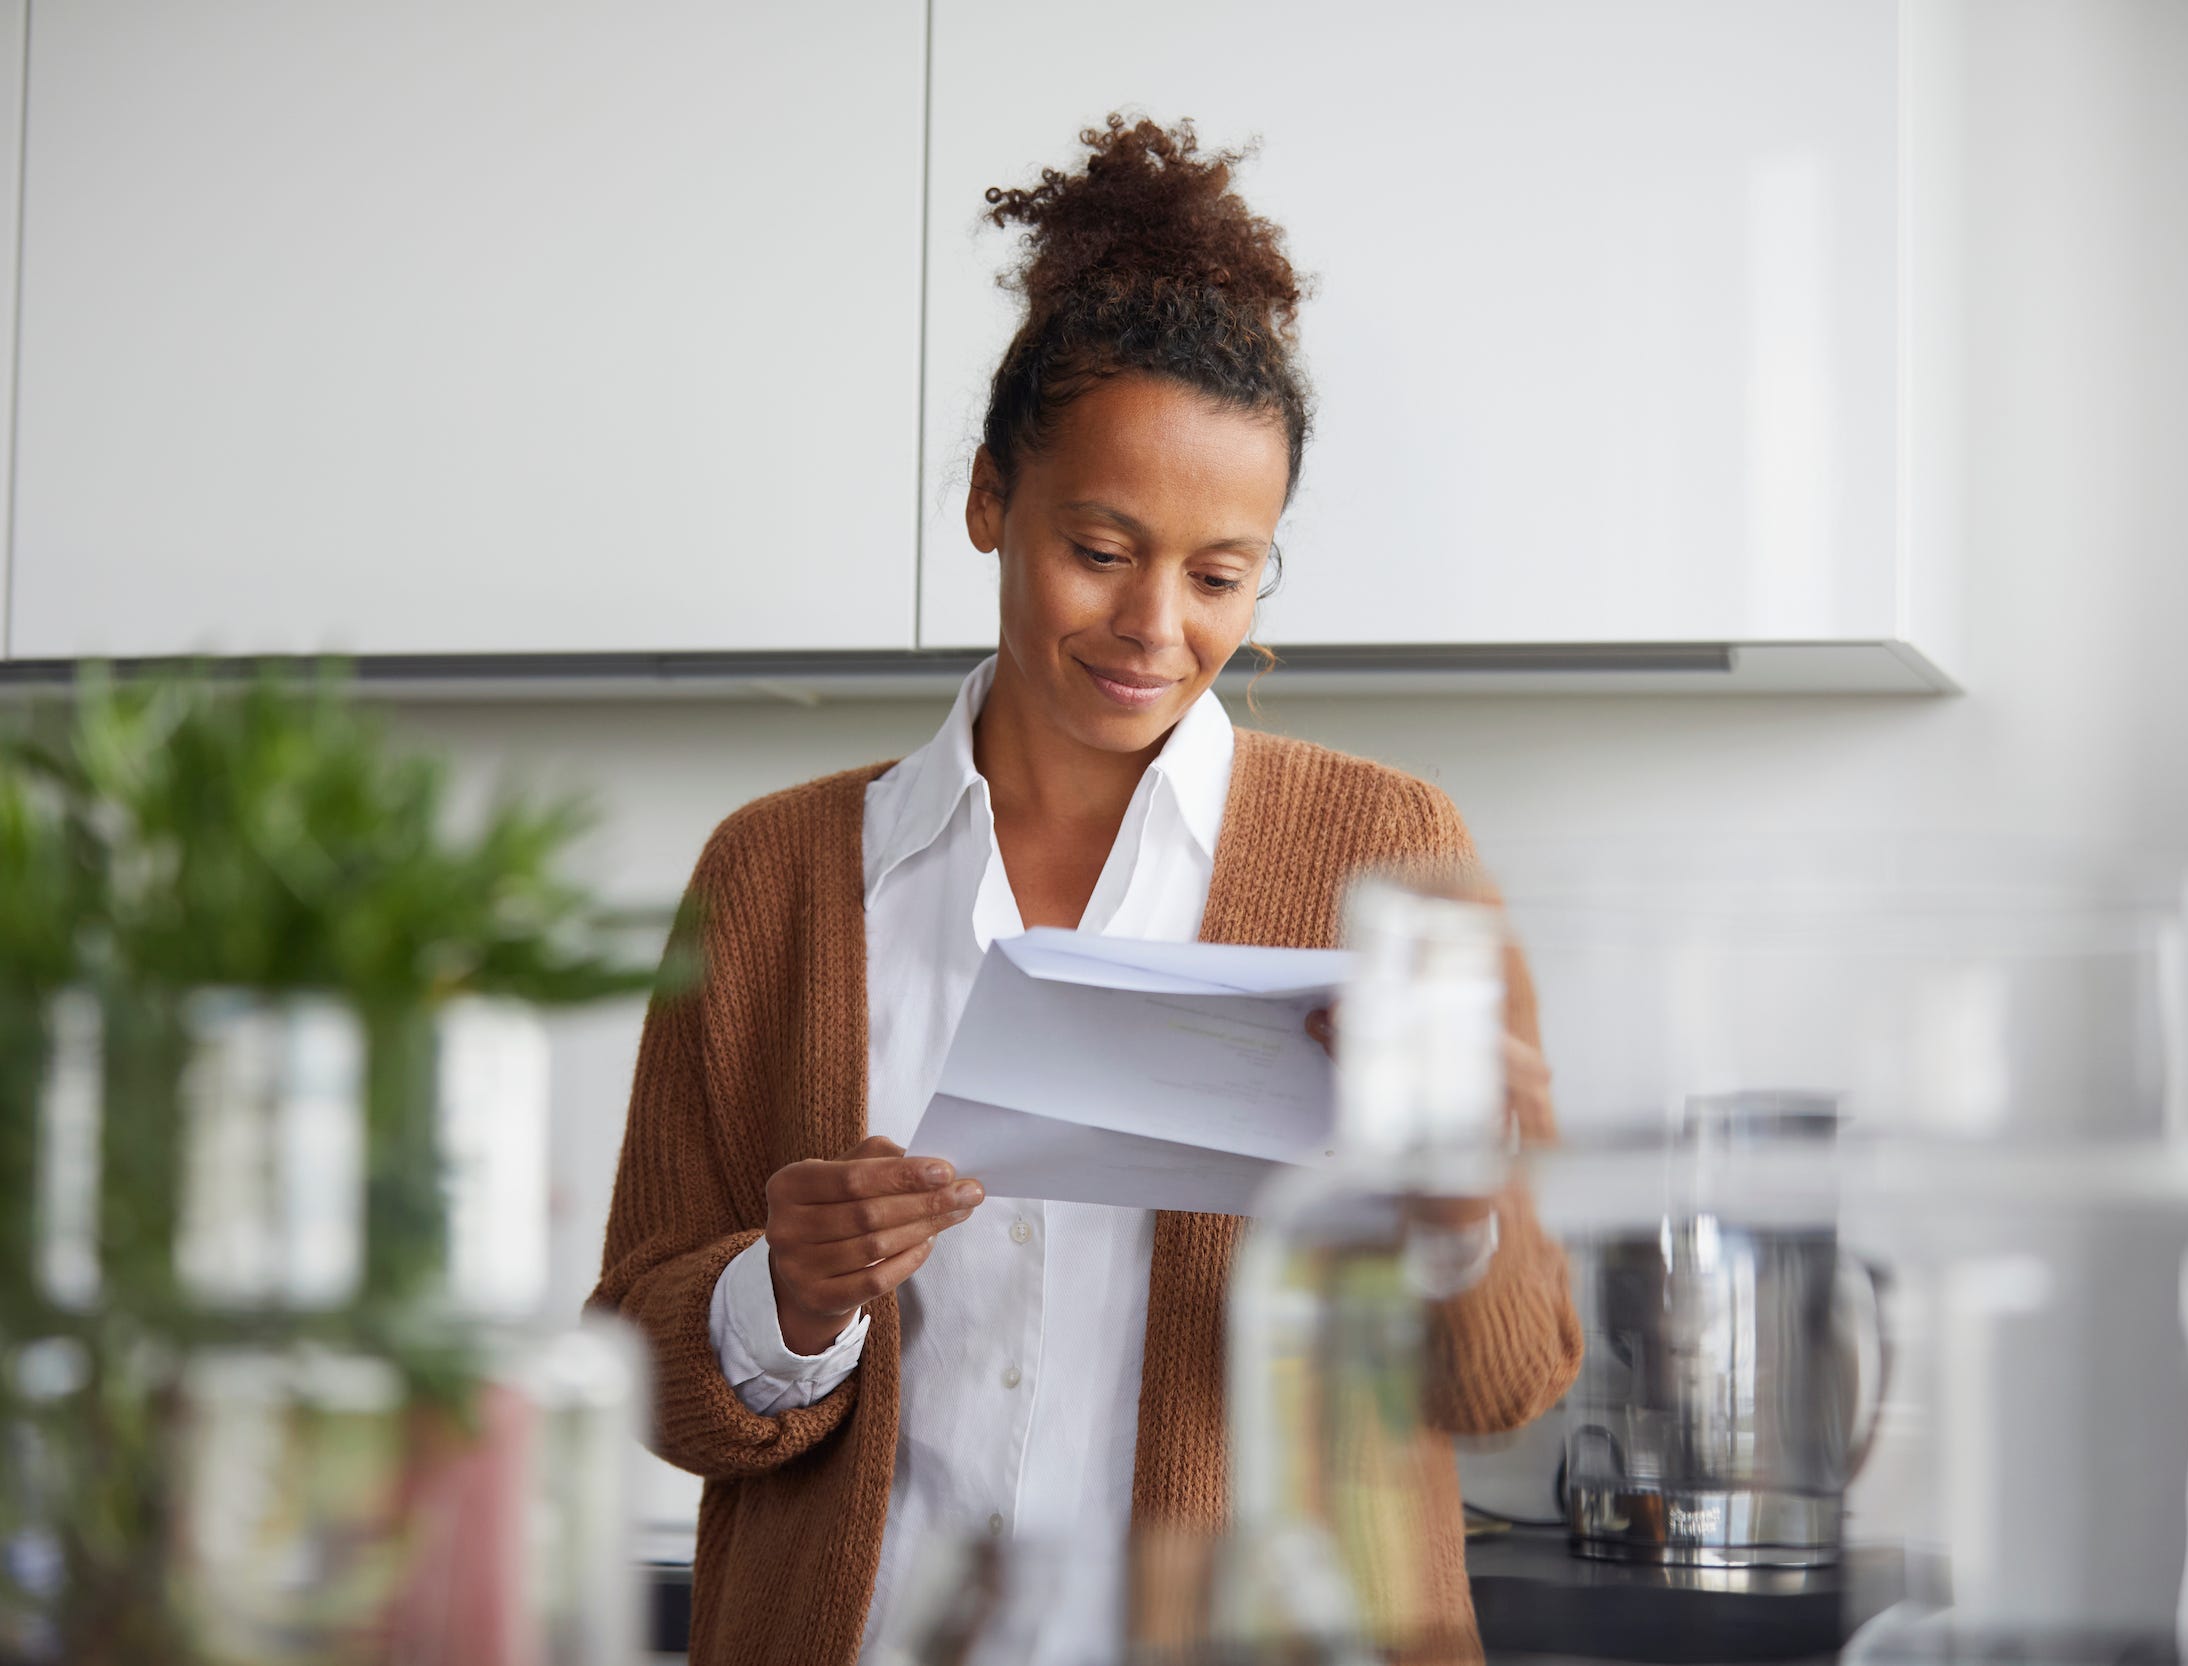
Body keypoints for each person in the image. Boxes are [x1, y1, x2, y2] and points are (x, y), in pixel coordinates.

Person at [589, 112, 1581, 1666]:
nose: (1151, 625)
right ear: (991, 500)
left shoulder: (1385, 855)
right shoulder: (771, 875)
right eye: (1098, 545)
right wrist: (779, 1296)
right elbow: (643, 1376)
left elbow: (1502, 1382)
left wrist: (1453, 1195)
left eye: (1216, 572)